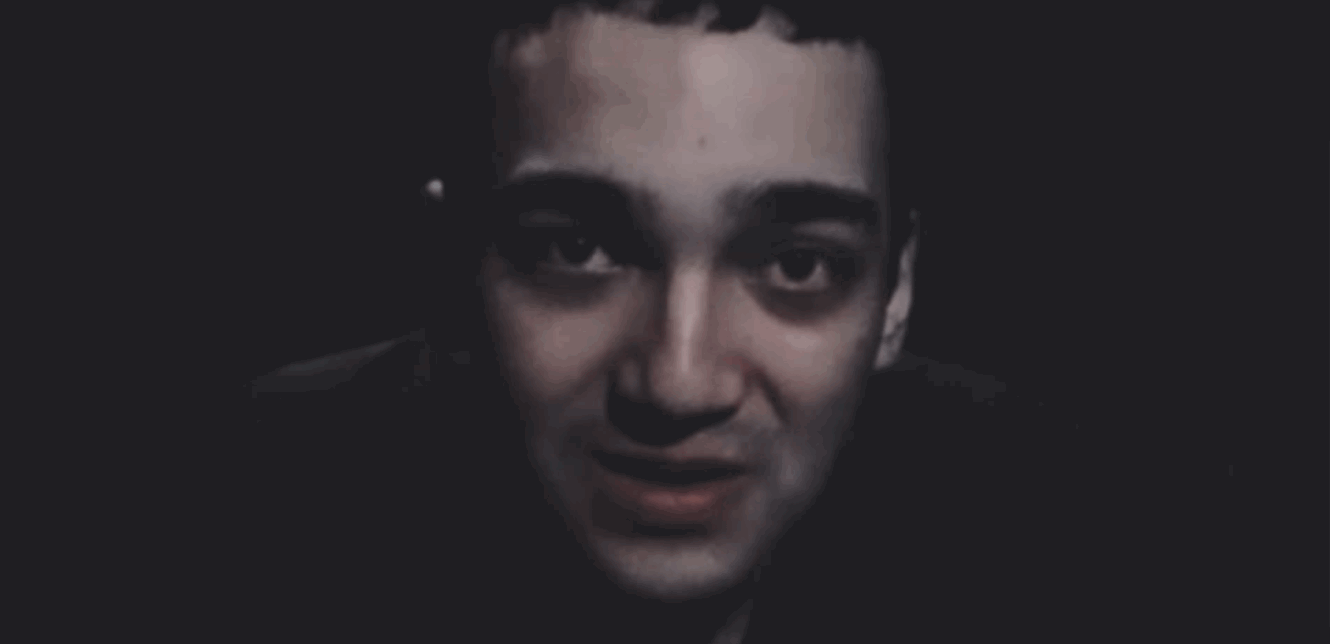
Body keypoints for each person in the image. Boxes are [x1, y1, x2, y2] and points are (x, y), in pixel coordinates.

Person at [248, 2, 1098, 641]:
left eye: (796, 265)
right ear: (449, 268)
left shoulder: (1069, 546)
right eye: (577, 249)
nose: (678, 383)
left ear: (896, 292)